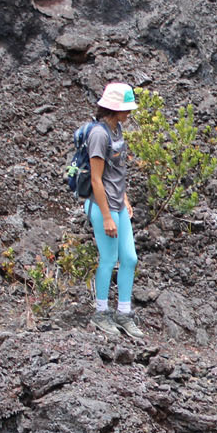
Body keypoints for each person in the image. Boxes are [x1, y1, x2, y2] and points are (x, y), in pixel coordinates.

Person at [85, 82, 141, 338]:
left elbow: (116, 171)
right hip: (102, 206)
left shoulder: (117, 130)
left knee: (129, 258)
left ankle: (124, 313)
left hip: (118, 204)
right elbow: (97, 179)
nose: (129, 113)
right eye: (126, 108)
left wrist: (125, 198)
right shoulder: (99, 134)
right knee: (108, 259)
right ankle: (100, 313)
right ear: (114, 108)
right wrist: (106, 216)